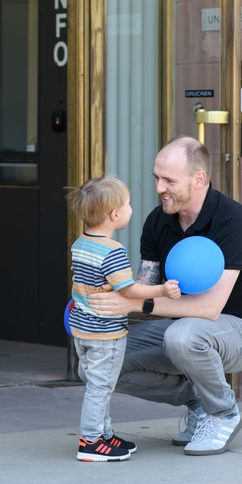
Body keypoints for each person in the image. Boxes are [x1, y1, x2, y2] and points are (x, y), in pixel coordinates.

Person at [88, 136, 242, 456]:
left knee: (183, 335)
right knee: (99, 360)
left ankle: (223, 413)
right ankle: (198, 401)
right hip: (179, 325)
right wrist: (104, 295)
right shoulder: (158, 221)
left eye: (169, 180)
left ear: (198, 178)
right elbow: (145, 295)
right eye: (156, 178)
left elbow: (210, 307)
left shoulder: (232, 221)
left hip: (240, 331)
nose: (159, 188)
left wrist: (134, 302)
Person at [65, 175, 181, 462]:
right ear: (115, 214)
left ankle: (104, 435)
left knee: (98, 383)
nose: (131, 209)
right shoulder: (112, 251)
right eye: (128, 204)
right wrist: (161, 289)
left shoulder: (80, 244)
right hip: (105, 333)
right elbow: (128, 288)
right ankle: (90, 442)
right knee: (100, 387)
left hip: (82, 330)